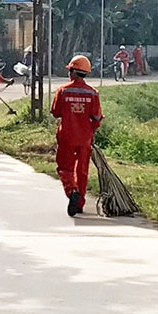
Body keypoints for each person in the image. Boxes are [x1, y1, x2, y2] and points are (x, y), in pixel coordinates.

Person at [51, 55, 103, 216]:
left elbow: (55, 112)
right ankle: (79, 203)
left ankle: (71, 191)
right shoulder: (93, 93)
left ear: (73, 72)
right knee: (82, 171)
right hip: (84, 138)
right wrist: (91, 132)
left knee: (65, 167)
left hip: (66, 135)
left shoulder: (63, 91)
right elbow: (96, 118)